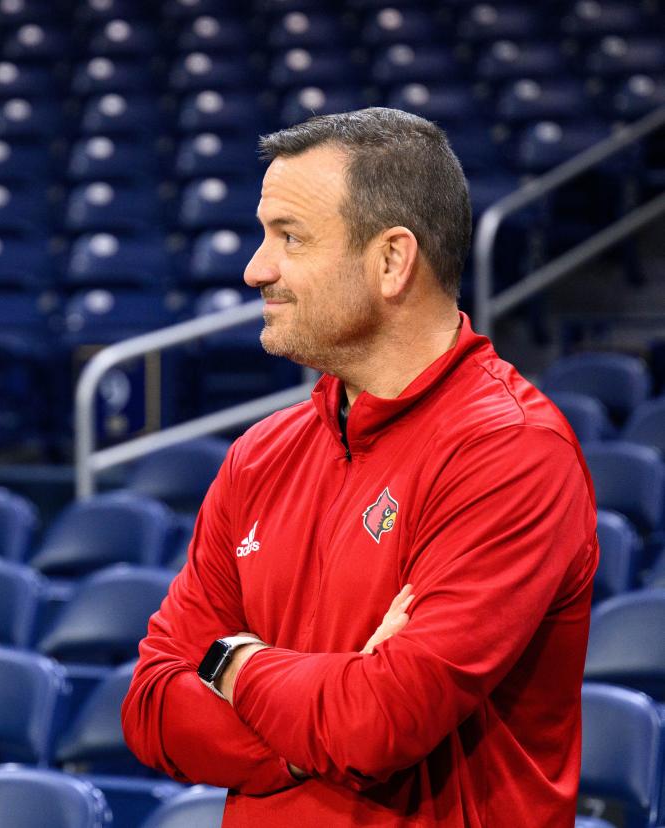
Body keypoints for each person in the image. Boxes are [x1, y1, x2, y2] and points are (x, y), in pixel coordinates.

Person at [121, 108, 598, 826]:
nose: (257, 269)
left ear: (391, 261)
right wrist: (323, 713)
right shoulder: (259, 455)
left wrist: (229, 662)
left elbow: (379, 723)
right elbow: (151, 706)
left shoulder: (512, 452)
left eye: (291, 237)